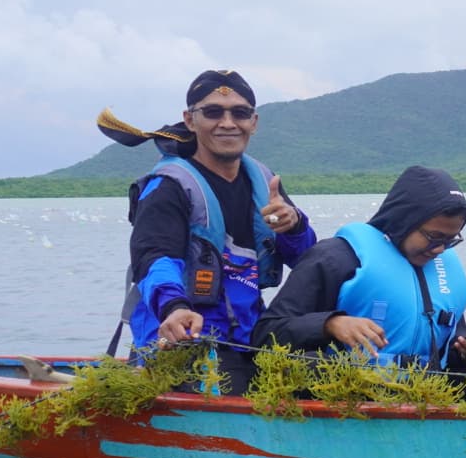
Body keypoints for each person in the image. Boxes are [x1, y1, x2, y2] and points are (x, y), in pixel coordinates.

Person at [102, 69, 316, 390]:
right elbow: (155, 258)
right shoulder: (169, 187)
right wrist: (175, 307)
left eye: (240, 113)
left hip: (248, 338)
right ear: (190, 120)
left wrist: (293, 226)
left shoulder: (264, 182)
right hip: (181, 339)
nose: (228, 123)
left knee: (318, 368)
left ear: (254, 122)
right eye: (213, 112)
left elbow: (307, 260)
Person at [253, 166, 466, 371]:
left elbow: (448, 357)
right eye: (434, 237)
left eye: (451, 240)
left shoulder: (443, 271)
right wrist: (329, 324)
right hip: (349, 393)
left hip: (426, 394)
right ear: (404, 221)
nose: (440, 249)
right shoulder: (335, 258)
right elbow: (264, 334)